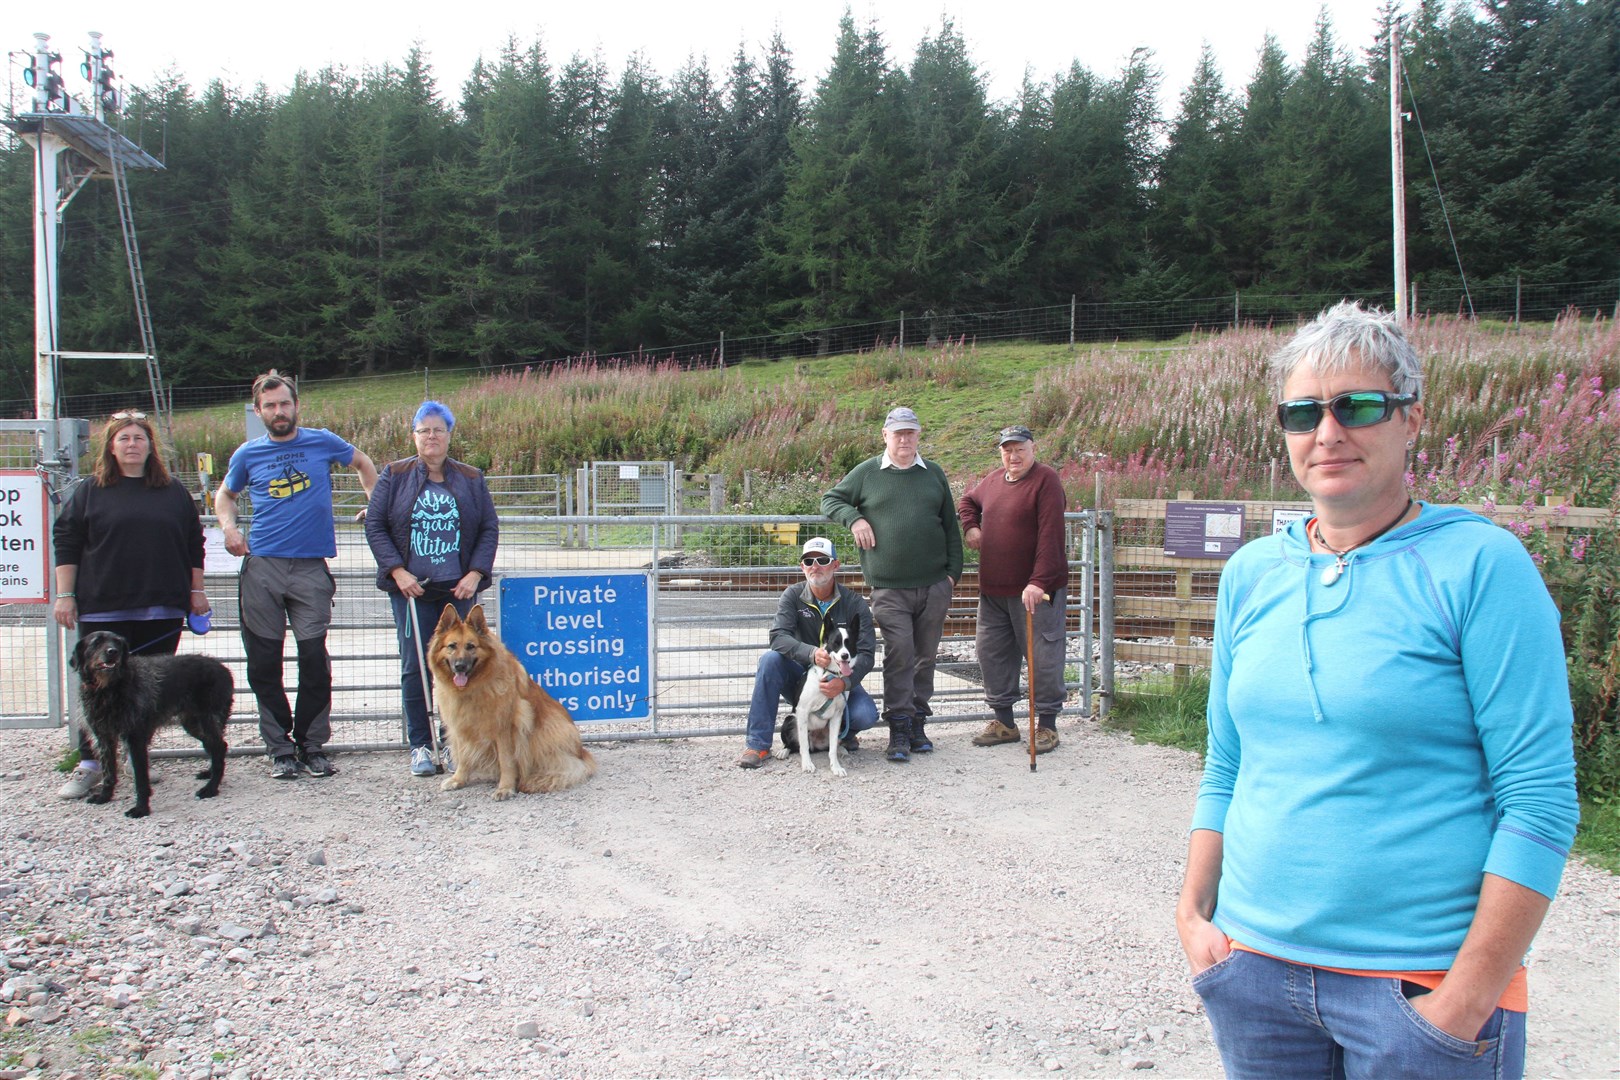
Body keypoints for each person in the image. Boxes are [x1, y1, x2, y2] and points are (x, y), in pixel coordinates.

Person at [1175, 301, 1578, 1079]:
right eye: (1302, 412)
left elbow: (1540, 800)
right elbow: (1226, 763)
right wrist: (1194, 917)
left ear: (1411, 419)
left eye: (1357, 405)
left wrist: (1462, 1002)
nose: (1328, 432)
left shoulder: (1481, 566)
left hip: (1416, 989)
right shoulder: (1252, 574)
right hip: (1254, 972)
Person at [215, 370, 377, 781]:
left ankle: (311, 744)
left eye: (285, 403)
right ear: (259, 412)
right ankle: (280, 748)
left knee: (313, 660)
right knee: (264, 662)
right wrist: (230, 529)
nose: (279, 411)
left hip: (311, 567)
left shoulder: (322, 441)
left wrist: (375, 503)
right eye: (270, 406)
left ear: (296, 405)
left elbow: (362, 462)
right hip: (263, 567)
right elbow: (225, 495)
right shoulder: (248, 454)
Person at [52, 411, 209, 798]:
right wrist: (65, 593)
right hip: (104, 608)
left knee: (145, 694)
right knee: (97, 690)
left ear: (151, 445)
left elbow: (194, 544)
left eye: (139, 438)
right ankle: (90, 763)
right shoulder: (91, 491)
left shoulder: (172, 492)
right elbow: (67, 541)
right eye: (124, 439)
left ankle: (136, 758)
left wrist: (196, 591)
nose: (132, 444)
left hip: (162, 608)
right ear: (111, 446)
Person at [365, 401, 498, 777]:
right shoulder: (394, 474)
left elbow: (488, 527)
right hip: (413, 592)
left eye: (438, 429)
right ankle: (421, 744)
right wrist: (396, 571)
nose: (431, 436)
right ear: (414, 436)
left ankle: (456, 742)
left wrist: (475, 573)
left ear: (449, 435)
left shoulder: (471, 478)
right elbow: (375, 525)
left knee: (465, 667)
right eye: (424, 430)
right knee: (416, 667)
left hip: (457, 591)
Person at [822, 406, 962, 762]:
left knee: (925, 657)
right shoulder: (869, 472)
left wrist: (952, 576)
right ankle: (899, 725)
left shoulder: (933, 473)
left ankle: (918, 722)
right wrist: (854, 519)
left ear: (919, 435)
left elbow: (950, 527)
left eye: (910, 433)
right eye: (897, 433)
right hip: (889, 588)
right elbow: (831, 499)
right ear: (885, 436)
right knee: (900, 654)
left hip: (934, 585)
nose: (904, 439)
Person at [957, 425, 1068, 754]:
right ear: (1001, 453)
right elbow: (967, 501)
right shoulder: (992, 481)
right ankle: (1005, 722)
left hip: (1034, 593)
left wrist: (1039, 581)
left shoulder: (1046, 480)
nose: (1013, 455)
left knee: (1043, 657)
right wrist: (971, 526)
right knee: (990, 654)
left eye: (1020, 448)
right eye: (1007, 449)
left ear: (1033, 448)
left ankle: (1047, 725)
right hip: (993, 592)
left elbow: (1051, 536)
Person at [737, 538, 880, 768]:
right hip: (801, 677)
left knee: (866, 714)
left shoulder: (854, 603)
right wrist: (811, 653)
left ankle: (842, 734)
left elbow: (866, 653)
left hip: (840, 675)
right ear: (802, 566)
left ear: (836, 565)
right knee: (770, 660)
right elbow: (778, 637)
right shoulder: (792, 596)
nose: (815, 566)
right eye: (808, 560)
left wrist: (845, 683)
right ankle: (758, 744)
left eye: (823, 560)